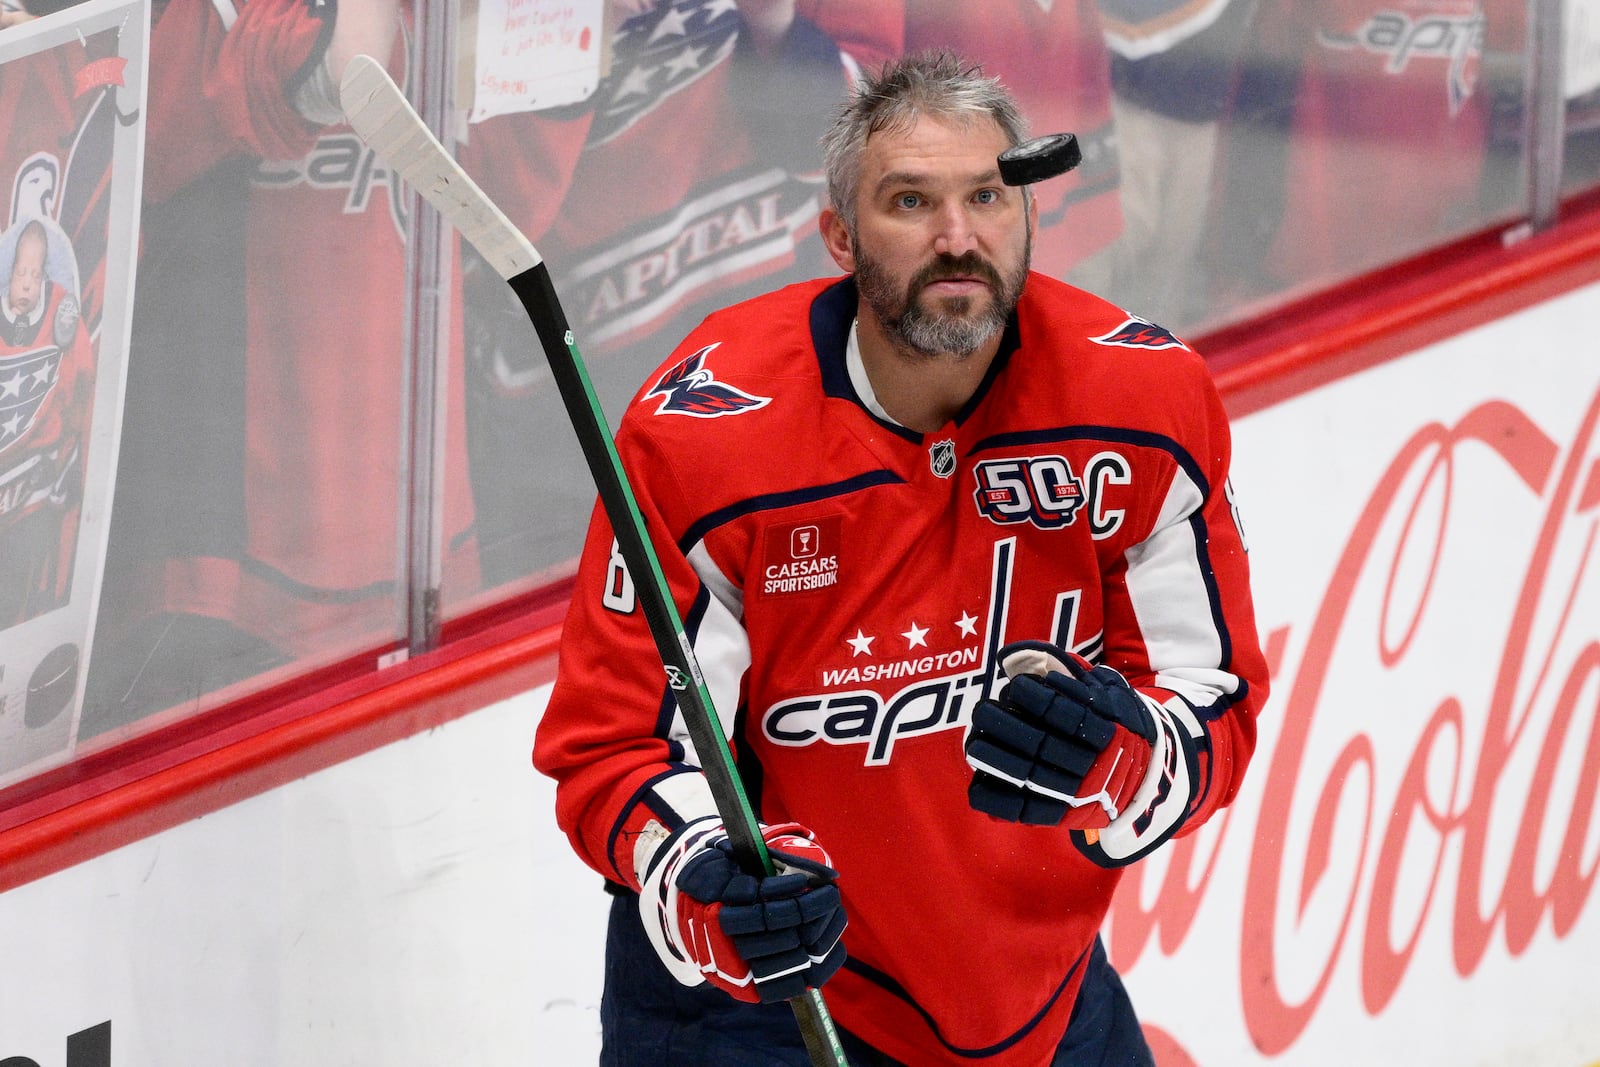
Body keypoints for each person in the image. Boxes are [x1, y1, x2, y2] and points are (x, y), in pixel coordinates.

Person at [534, 49, 1269, 1066]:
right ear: (838, 235)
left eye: (985, 197)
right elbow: (617, 748)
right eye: (911, 201)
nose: (957, 237)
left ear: (1027, 217)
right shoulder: (706, 435)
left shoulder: (1140, 401)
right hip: (769, 996)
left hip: (1035, 983)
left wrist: (1134, 751)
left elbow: (1216, 694)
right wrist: (702, 875)